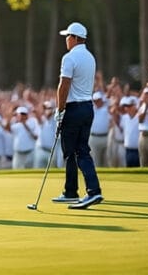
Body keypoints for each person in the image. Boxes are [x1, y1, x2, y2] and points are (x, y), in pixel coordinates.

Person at [53, 22, 103, 209]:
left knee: (75, 151)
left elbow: (64, 85)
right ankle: (70, 191)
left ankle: (93, 191)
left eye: (68, 36)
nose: (66, 39)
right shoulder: (90, 57)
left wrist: (60, 110)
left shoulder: (69, 58)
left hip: (73, 108)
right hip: (88, 107)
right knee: (78, 150)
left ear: (74, 38)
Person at [88, 92, 109, 167]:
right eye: (95, 100)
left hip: (106, 137)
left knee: (106, 161)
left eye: (99, 100)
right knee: (95, 161)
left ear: (102, 100)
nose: (97, 102)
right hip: (94, 138)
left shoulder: (106, 109)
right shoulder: (91, 110)